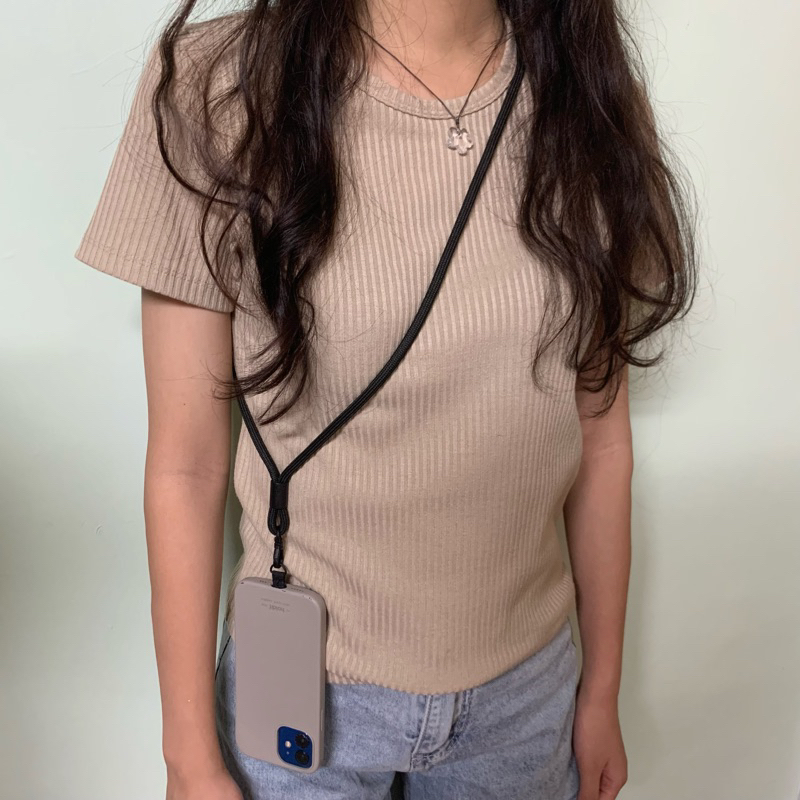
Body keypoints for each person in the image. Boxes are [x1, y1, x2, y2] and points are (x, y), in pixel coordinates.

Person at [73, 1, 697, 799]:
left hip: (526, 700)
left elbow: (600, 436)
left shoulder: (587, 93)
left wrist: (600, 691)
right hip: (301, 703)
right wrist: (189, 757)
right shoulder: (216, 86)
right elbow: (186, 466)